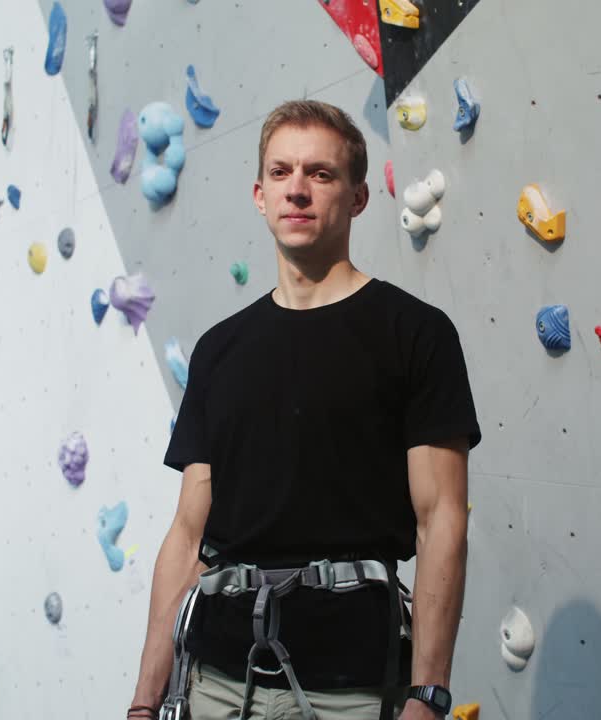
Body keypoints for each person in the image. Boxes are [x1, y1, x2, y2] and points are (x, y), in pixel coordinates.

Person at [127, 100, 481, 720]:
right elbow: (187, 535)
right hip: (215, 681)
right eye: (281, 172)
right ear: (259, 196)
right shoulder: (219, 350)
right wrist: (143, 701)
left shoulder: (416, 335)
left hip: (351, 687)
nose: (297, 190)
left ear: (358, 197)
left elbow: (441, 520)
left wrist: (428, 694)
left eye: (320, 173)